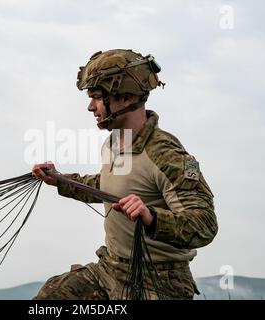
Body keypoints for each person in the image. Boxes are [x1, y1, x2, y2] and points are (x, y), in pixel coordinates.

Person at [32, 49, 218, 300]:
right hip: (110, 270)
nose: (90, 106)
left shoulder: (167, 155)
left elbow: (204, 225)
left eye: (97, 97)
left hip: (160, 282)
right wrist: (60, 180)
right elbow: (109, 186)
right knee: (53, 296)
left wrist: (151, 217)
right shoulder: (114, 143)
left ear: (127, 97)